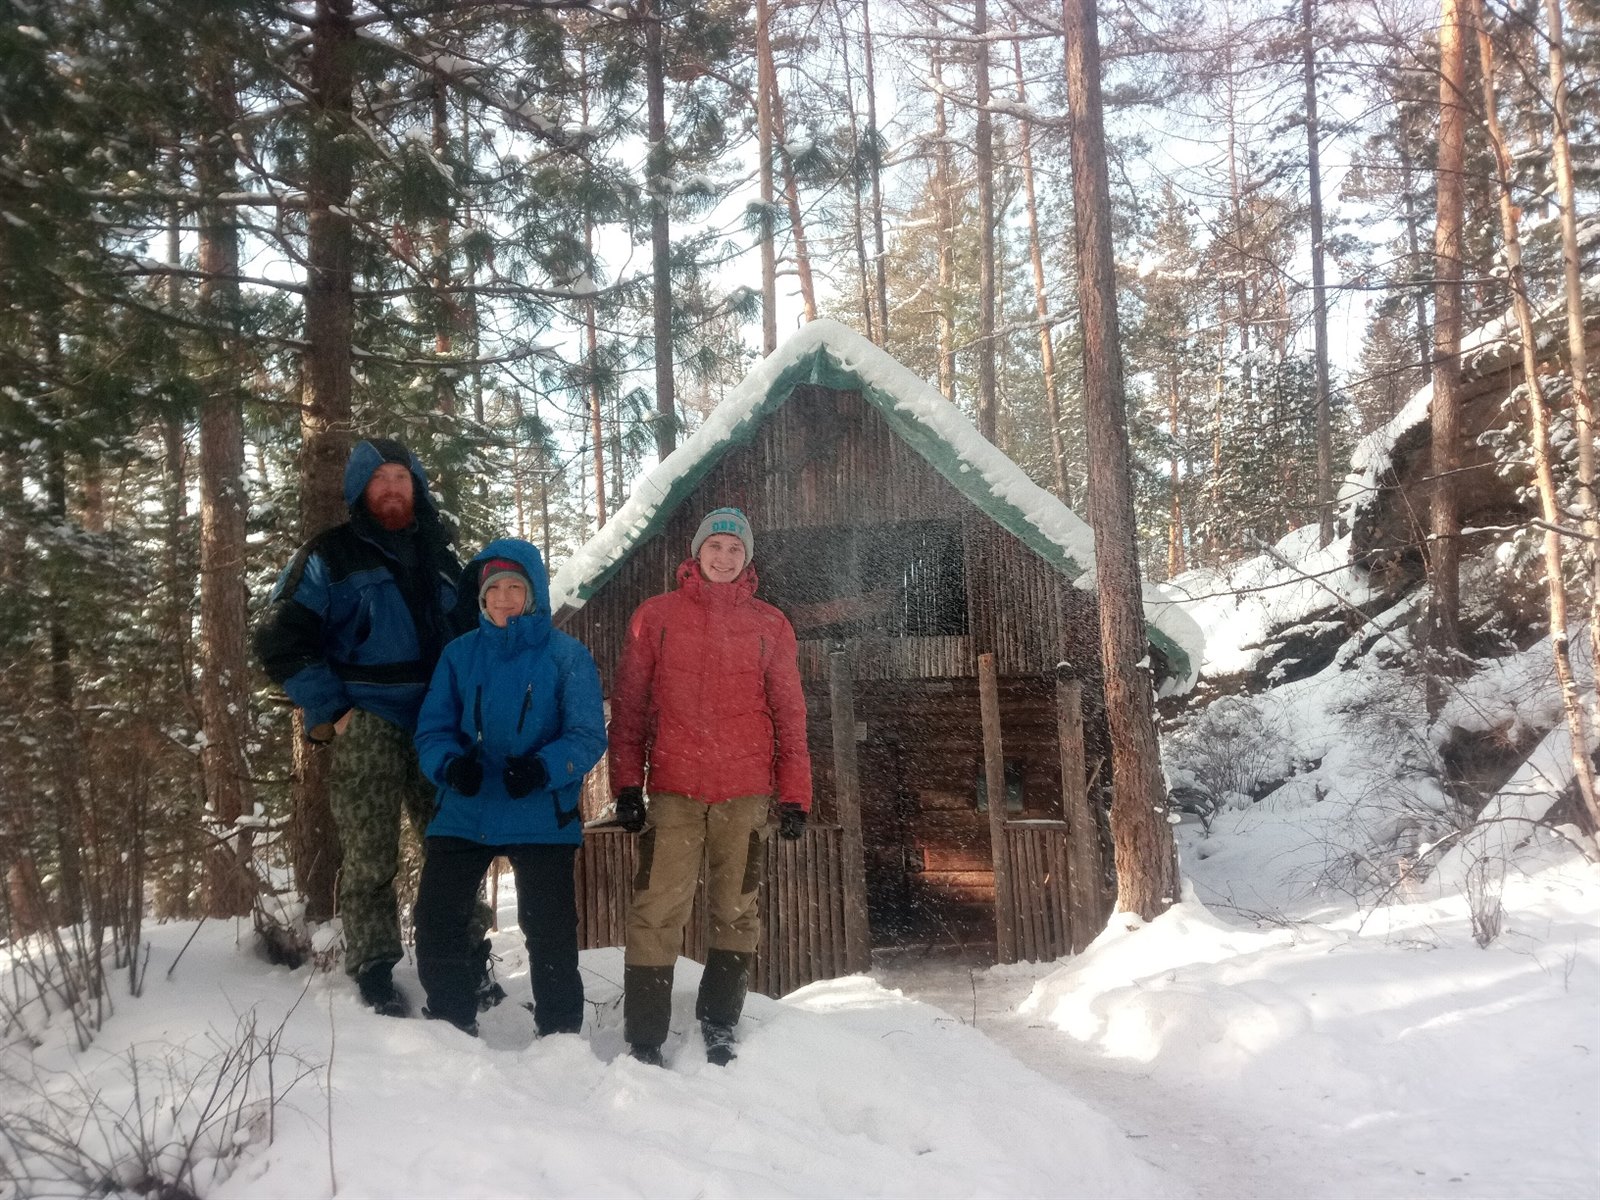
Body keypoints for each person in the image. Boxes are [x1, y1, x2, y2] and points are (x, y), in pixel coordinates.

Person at [254, 437, 489, 1017]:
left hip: (438, 720)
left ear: (417, 487)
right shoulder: (329, 554)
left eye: (401, 478)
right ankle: (375, 968)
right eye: (380, 479)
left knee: (456, 846)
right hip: (368, 716)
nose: (391, 489)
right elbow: (279, 638)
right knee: (370, 852)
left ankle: (464, 955)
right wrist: (331, 708)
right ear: (360, 489)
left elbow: (474, 638)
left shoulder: (440, 556)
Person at [608, 506, 812, 1066]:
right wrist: (627, 785)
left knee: (736, 910)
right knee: (656, 909)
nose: (724, 557)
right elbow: (629, 709)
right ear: (697, 552)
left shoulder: (771, 625)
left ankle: (719, 1023)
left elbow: (790, 715)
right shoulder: (656, 616)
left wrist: (795, 795)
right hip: (673, 791)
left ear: (748, 559)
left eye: (735, 548)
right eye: (715, 546)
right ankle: (645, 1037)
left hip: (744, 796)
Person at [411, 539, 607, 1037]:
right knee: (437, 917)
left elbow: (586, 734)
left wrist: (544, 768)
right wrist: (450, 766)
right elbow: (432, 730)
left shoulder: (567, 656)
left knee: (549, 929)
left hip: (540, 809)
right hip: (466, 806)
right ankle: (450, 1023)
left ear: (533, 593)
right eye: (494, 589)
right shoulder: (458, 655)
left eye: (514, 588)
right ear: (481, 597)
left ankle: (559, 1035)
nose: (503, 598)